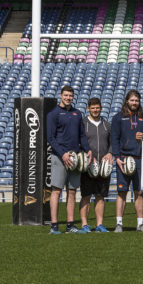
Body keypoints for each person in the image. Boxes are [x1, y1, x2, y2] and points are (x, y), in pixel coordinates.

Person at [46, 85, 92, 235]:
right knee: (56, 191)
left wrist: (87, 149)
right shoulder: (53, 114)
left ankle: (70, 225)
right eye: (65, 95)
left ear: (73, 97)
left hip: (75, 158)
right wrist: (63, 154)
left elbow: (82, 136)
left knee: (72, 191)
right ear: (61, 96)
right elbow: (50, 138)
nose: (68, 98)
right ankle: (54, 226)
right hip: (59, 157)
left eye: (70, 96)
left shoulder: (77, 113)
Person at [111, 90, 143, 233]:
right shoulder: (118, 118)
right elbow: (114, 138)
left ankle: (140, 224)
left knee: (139, 192)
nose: (134, 103)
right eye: (132, 100)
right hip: (124, 160)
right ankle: (119, 223)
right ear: (127, 101)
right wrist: (117, 157)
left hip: (140, 160)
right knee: (122, 192)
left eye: (136, 100)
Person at [77, 98, 113, 234]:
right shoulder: (83, 124)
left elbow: (112, 143)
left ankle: (100, 224)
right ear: (88, 109)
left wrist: (110, 153)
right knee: (86, 196)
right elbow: (78, 143)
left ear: (101, 108)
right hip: (88, 166)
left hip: (103, 167)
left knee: (100, 196)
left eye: (97, 108)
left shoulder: (106, 125)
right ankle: (85, 224)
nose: (95, 110)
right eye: (93, 108)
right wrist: (84, 156)